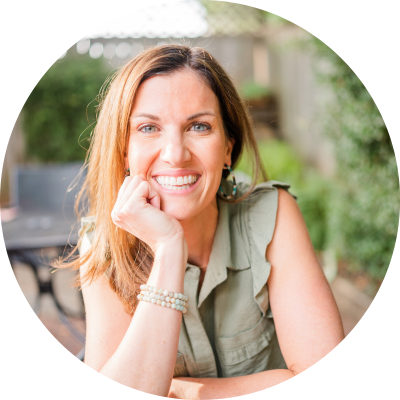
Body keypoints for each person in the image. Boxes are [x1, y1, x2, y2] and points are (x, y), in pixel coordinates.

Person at [61, 45, 344, 398]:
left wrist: (184, 391)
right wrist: (168, 249)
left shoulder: (272, 214)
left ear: (227, 147)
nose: (175, 154)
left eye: (199, 126)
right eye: (148, 127)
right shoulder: (104, 244)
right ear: (124, 153)